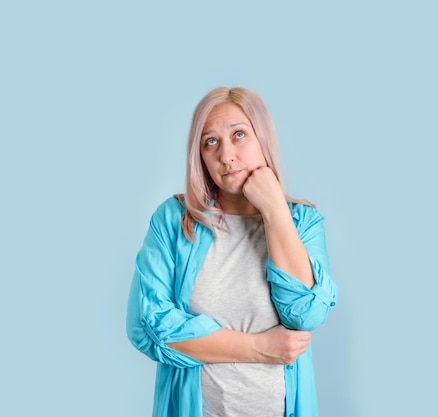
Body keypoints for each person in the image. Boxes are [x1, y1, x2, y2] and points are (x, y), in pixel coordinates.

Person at [126, 86, 338, 417]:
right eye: (211, 142)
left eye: (239, 135)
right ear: (200, 156)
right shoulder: (173, 220)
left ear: (263, 139)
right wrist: (260, 348)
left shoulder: (303, 221)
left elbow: (306, 314)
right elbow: (147, 326)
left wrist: (275, 210)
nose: (226, 155)